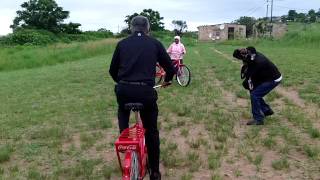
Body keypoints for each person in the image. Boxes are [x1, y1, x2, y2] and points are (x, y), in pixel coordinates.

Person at [109, 15, 175, 180]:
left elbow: (112, 70)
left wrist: (124, 83)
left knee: (122, 108)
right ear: (148, 29)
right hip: (146, 92)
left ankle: (124, 135)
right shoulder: (154, 43)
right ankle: (155, 172)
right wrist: (167, 80)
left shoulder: (122, 44)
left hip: (124, 90)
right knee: (151, 131)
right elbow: (170, 68)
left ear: (131, 28)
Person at [233, 46, 282, 125]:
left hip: (273, 79)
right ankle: (266, 110)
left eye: (241, 59)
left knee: (254, 95)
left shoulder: (257, 62)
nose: (241, 61)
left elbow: (251, 76)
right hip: (266, 76)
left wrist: (247, 81)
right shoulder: (251, 53)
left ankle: (258, 119)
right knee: (254, 92)